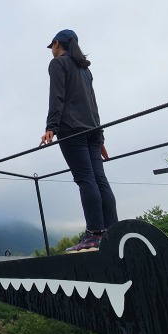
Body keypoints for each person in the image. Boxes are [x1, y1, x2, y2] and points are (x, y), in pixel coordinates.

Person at [40, 29, 118, 252]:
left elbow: (57, 96)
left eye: (52, 47)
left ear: (56, 44)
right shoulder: (85, 70)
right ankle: (111, 231)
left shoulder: (58, 64)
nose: (51, 51)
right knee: (99, 179)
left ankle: (94, 235)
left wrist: (51, 127)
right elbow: (93, 103)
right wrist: (100, 136)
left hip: (72, 130)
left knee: (85, 179)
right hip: (93, 130)